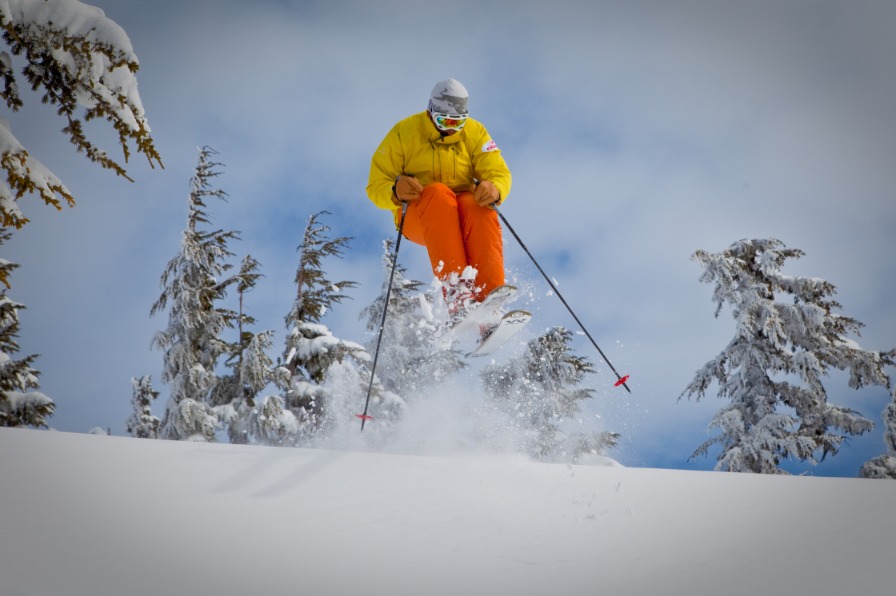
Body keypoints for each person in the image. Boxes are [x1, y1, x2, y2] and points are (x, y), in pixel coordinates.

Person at [366, 78, 512, 316]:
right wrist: (395, 190)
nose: (452, 128)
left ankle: (490, 301)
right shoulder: (404, 133)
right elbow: (375, 185)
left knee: (475, 202)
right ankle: (457, 294)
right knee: (438, 193)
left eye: (459, 122)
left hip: (462, 213)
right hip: (421, 217)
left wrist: (495, 188)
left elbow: (498, 171)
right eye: (445, 120)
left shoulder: (475, 132)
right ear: (431, 111)